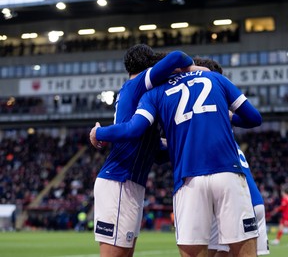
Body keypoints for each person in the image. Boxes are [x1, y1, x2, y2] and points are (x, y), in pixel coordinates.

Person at [90, 65, 262, 257]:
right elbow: (254, 118)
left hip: (188, 180)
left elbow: (134, 129)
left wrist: (99, 132)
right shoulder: (215, 78)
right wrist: (227, 114)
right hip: (227, 173)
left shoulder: (154, 93)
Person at [93, 44, 195, 257]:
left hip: (130, 183)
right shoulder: (139, 83)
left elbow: (155, 152)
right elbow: (177, 56)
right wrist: (191, 69)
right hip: (119, 180)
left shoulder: (139, 96)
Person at [192, 57, 269, 257]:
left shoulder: (202, 122)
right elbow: (252, 118)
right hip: (253, 197)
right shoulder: (223, 121)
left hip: (231, 197)